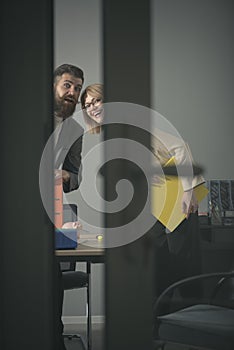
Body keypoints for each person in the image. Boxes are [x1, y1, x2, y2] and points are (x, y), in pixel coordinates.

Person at [81, 83, 205, 326]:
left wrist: (189, 192)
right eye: (87, 105)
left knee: (183, 272)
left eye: (96, 100)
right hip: (154, 210)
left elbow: (179, 146)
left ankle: (195, 331)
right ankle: (157, 333)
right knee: (157, 273)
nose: (92, 107)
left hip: (178, 205)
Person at [53, 63, 84, 350]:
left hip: (51, 210)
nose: (72, 92)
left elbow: (77, 176)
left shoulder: (74, 129)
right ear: (53, 85)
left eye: (77, 88)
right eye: (67, 85)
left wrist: (67, 176)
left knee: (50, 278)